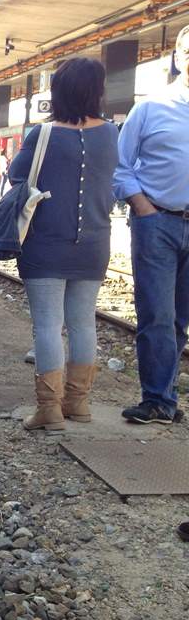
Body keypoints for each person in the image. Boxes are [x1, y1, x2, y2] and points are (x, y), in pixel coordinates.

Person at [8, 58, 118, 429]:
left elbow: (16, 175)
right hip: (95, 242)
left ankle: (49, 409)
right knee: (84, 323)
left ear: (60, 91)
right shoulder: (112, 133)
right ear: (96, 91)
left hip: (46, 243)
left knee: (47, 326)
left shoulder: (44, 134)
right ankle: (79, 404)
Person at [113, 24, 189, 426]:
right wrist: (144, 208)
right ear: (179, 57)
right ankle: (158, 399)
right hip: (157, 221)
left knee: (180, 319)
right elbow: (121, 168)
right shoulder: (150, 108)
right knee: (157, 314)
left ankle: (168, 395)